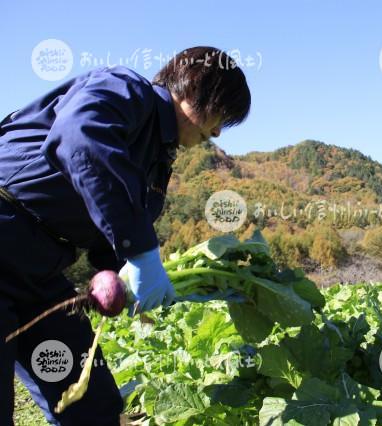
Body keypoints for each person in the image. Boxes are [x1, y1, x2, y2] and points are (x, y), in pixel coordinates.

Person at [0, 46, 251, 425]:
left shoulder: (158, 158)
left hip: (41, 269)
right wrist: (141, 252)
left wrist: (117, 273)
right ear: (192, 89)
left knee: (93, 406)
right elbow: (79, 137)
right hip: (5, 227)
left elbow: (108, 221)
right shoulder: (125, 90)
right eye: (220, 116)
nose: (216, 132)